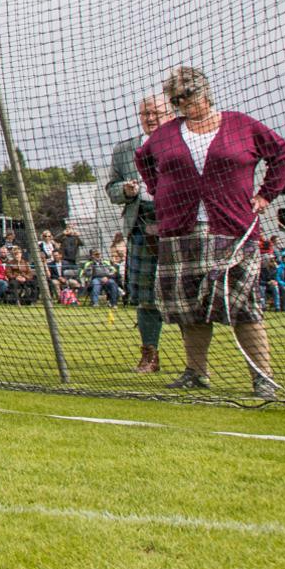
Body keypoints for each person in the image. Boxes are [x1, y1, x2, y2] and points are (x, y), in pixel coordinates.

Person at [135, 66, 285, 399]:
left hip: (233, 227)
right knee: (188, 306)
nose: (182, 104)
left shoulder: (241, 125)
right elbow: (144, 160)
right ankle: (196, 372)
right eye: (176, 99)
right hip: (181, 230)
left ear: (204, 92)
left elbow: (282, 152)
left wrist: (266, 193)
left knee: (244, 305)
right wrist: (162, 193)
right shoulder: (164, 135)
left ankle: (263, 377)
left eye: (187, 96)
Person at [106, 94, 172, 373]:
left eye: (156, 112)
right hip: (142, 225)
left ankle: (196, 362)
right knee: (146, 296)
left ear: (171, 113)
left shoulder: (184, 142)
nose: (150, 118)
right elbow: (111, 189)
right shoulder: (125, 150)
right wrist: (126, 191)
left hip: (178, 223)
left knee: (185, 293)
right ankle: (150, 355)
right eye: (145, 113)